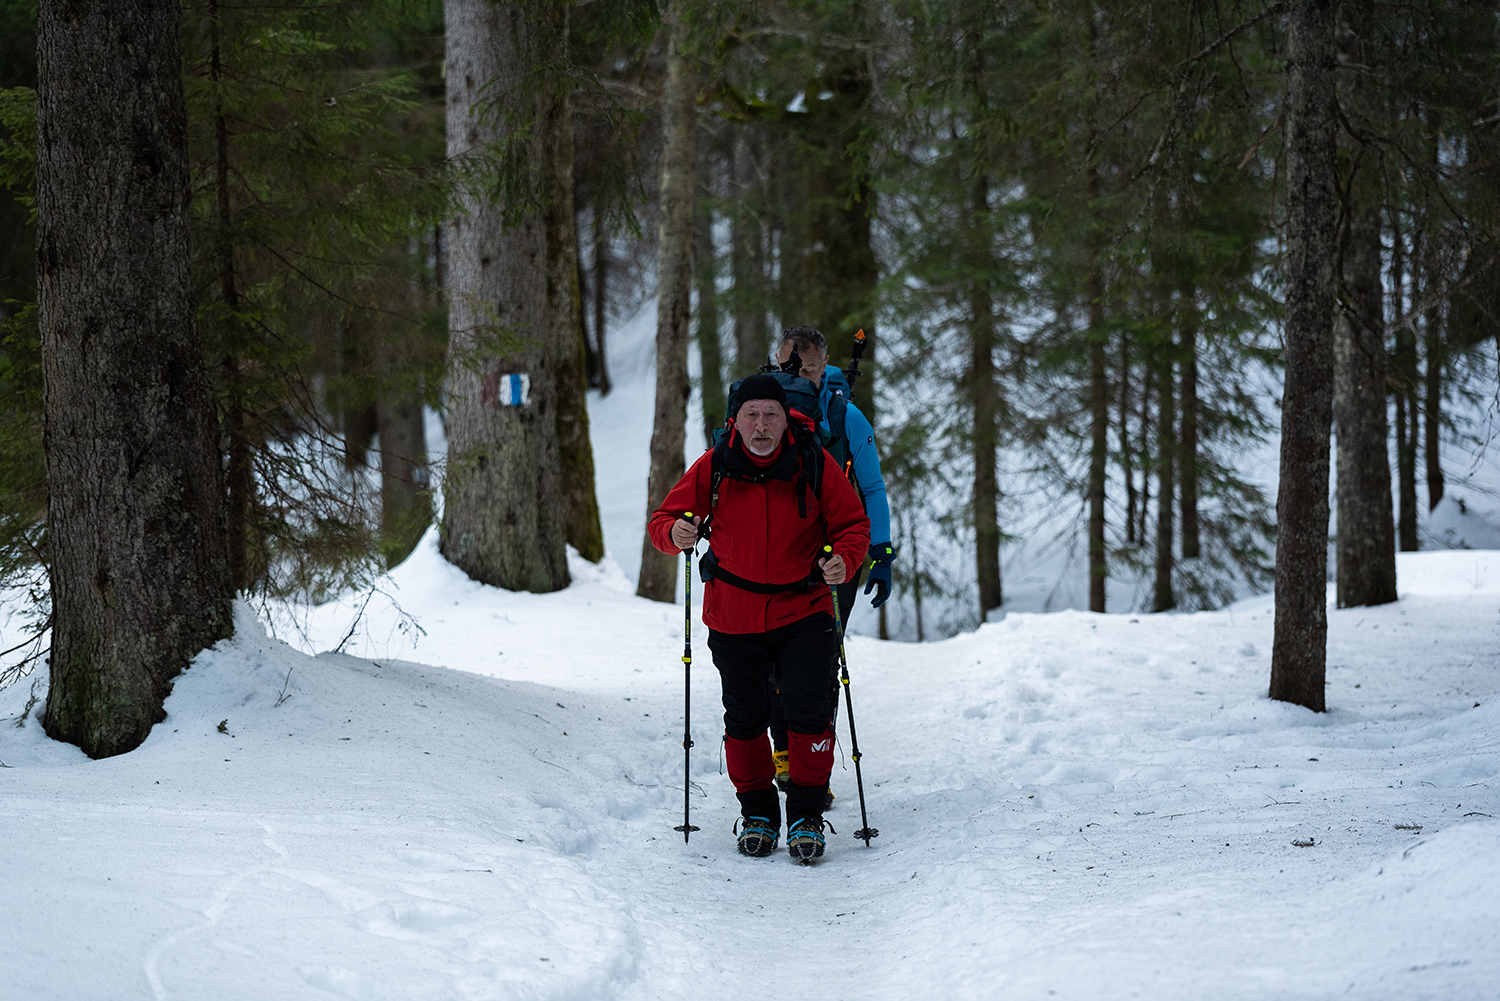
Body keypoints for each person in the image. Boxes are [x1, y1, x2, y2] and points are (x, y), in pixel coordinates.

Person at [648, 374, 871, 862]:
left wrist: (845, 559)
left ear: (785, 419)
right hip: (734, 614)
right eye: (752, 414)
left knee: (809, 713)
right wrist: (676, 534)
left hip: (805, 608)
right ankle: (758, 814)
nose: (762, 425)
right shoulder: (715, 465)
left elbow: (853, 524)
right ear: (736, 420)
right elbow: (663, 521)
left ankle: (807, 816)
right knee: (745, 719)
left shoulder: (814, 460)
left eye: (771, 414)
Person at [767, 326, 894, 800]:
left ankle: (812, 767)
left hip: (836, 557)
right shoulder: (761, 414)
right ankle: (784, 753)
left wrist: (880, 552)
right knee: (771, 661)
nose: (797, 377)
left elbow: (873, 488)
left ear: (825, 367)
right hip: (776, 555)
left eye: (807, 369)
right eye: (788, 367)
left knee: (820, 663)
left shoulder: (845, 417)